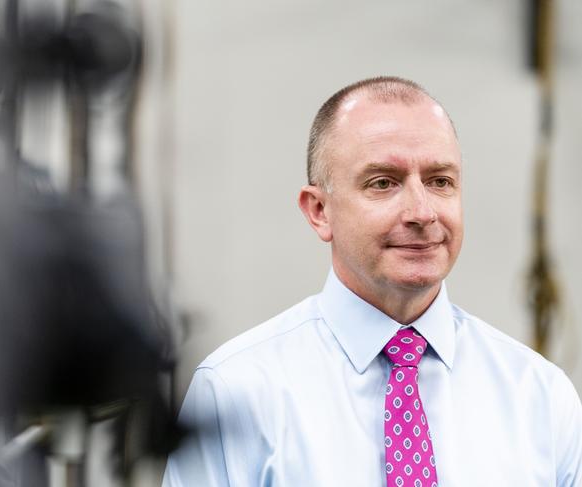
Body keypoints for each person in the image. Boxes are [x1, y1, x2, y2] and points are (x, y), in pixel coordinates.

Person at [162, 76, 582, 486]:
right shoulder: (236, 391)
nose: (422, 211)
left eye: (440, 181)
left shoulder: (540, 396)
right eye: (383, 183)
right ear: (319, 211)